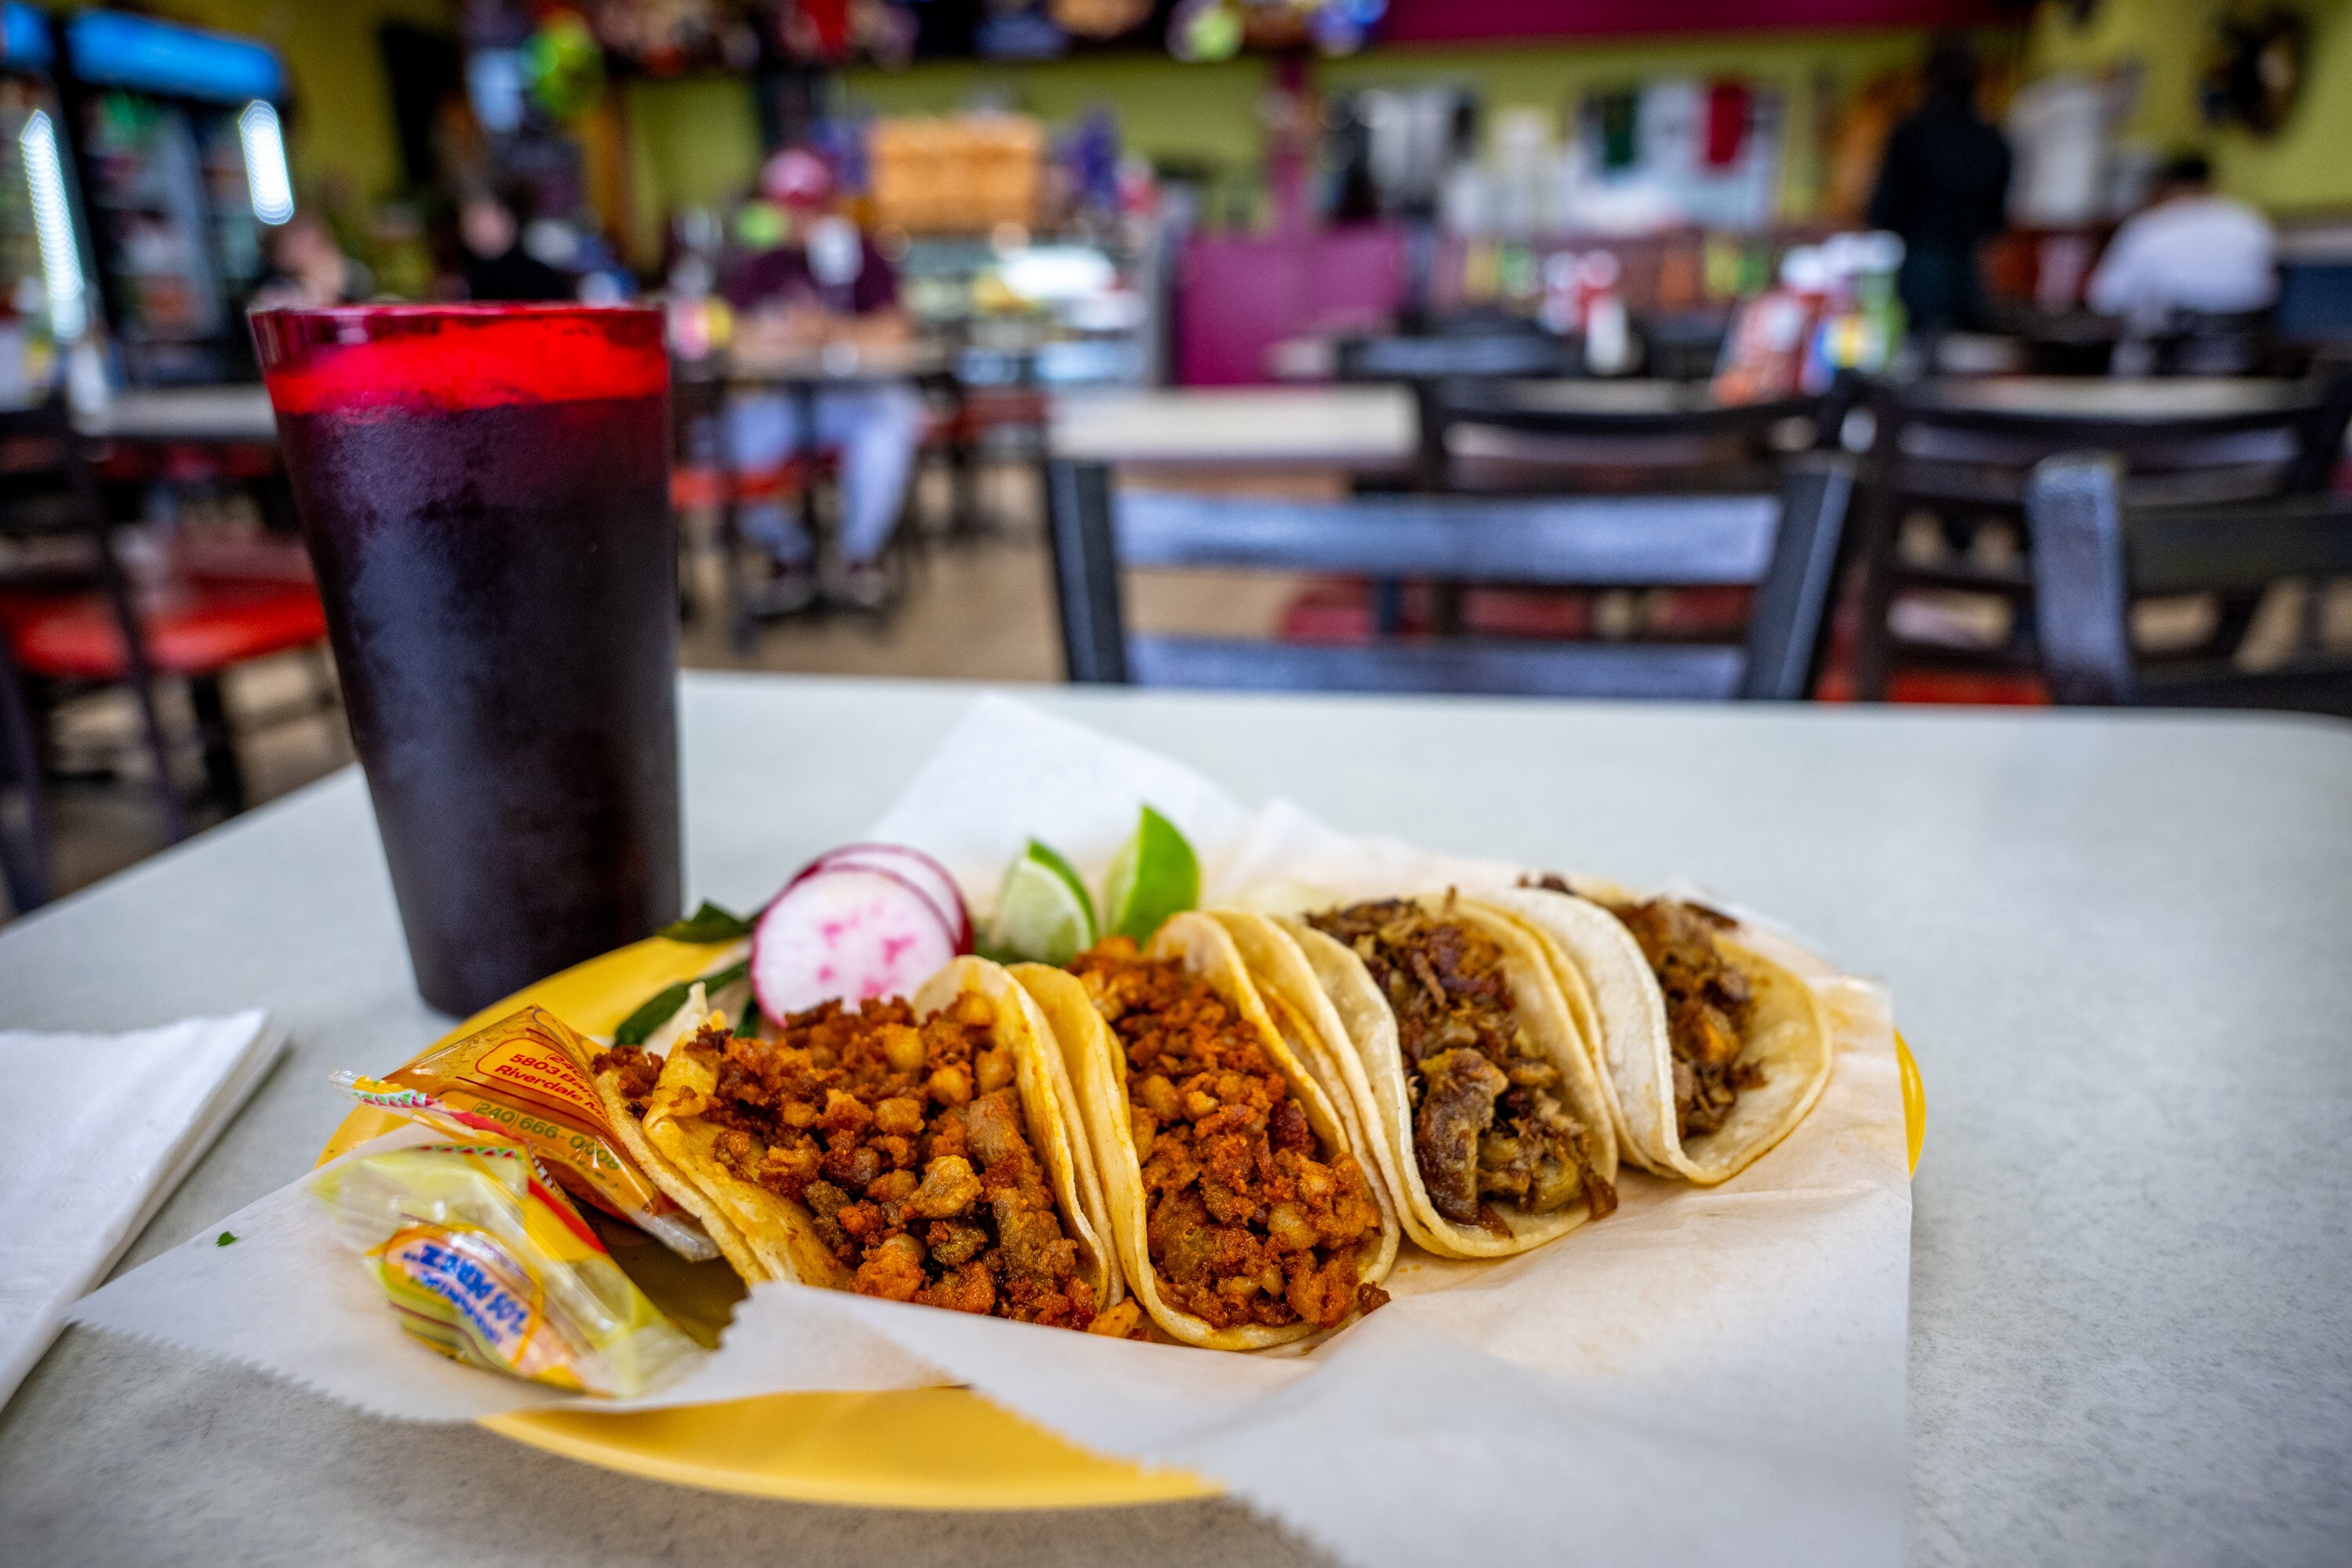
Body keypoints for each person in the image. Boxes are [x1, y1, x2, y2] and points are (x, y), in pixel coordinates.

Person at [720, 147, 923, 610]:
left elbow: (897, 330)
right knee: (724, 446)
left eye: (805, 207)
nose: (795, 219)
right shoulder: (762, 264)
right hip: (789, 397)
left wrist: (830, 330)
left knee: (889, 432)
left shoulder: (862, 254)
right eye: (785, 207)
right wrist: (773, 336)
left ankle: (858, 557)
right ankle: (793, 553)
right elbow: (733, 331)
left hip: (861, 396)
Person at [1868, 38, 2013, 339]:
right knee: (1960, 351)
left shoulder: (1912, 133)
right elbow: (1997, 218)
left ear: (1930, 79)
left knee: (1919, 347)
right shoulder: (1993, 140)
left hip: (1921, 262)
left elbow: (1884, 207)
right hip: (1970, 270)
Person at [2086, 153, 2277, 324]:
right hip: (2241, 355)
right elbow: (2266, 292)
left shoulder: (2149, 227)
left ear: (2164, 186)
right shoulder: (2250, 222)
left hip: (2166, 356)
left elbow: (2105, 300)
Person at [459, 190, 574, 303]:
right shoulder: (467, 279)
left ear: (508, 220)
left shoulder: (540, 279)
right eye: (468, 222)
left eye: (482, 220)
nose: (476, 230)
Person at [249, 212, 368, 309]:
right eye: (298, 244)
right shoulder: (276, 294)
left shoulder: (352, 275)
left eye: (315, 244)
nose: (307, 249)